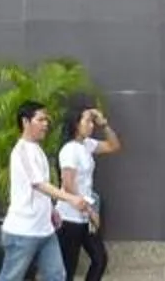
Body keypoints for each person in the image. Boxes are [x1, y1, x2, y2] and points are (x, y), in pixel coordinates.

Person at [0, 102, 85, 281]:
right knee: (9, 278)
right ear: (26, 122)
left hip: (45, 231)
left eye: (46, 120)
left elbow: (39, 189)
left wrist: (52, 210)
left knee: (57, 276)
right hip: (23, 232)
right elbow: (38, 184)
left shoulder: (37, 150)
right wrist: (71, 199)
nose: (46, 124)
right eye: (40, 119)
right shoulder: (22, 151)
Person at [57, 105, 122, 281]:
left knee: (100, 259)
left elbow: (113, 146)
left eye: (92, 122)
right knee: (68, 269)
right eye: (87, 121)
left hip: (85, 217)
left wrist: (104, 124)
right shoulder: (69, 150)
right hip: (69, 217)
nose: (92, 125)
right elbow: (68, 185)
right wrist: (90, 211)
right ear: (76, 124)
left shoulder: (86, 145)